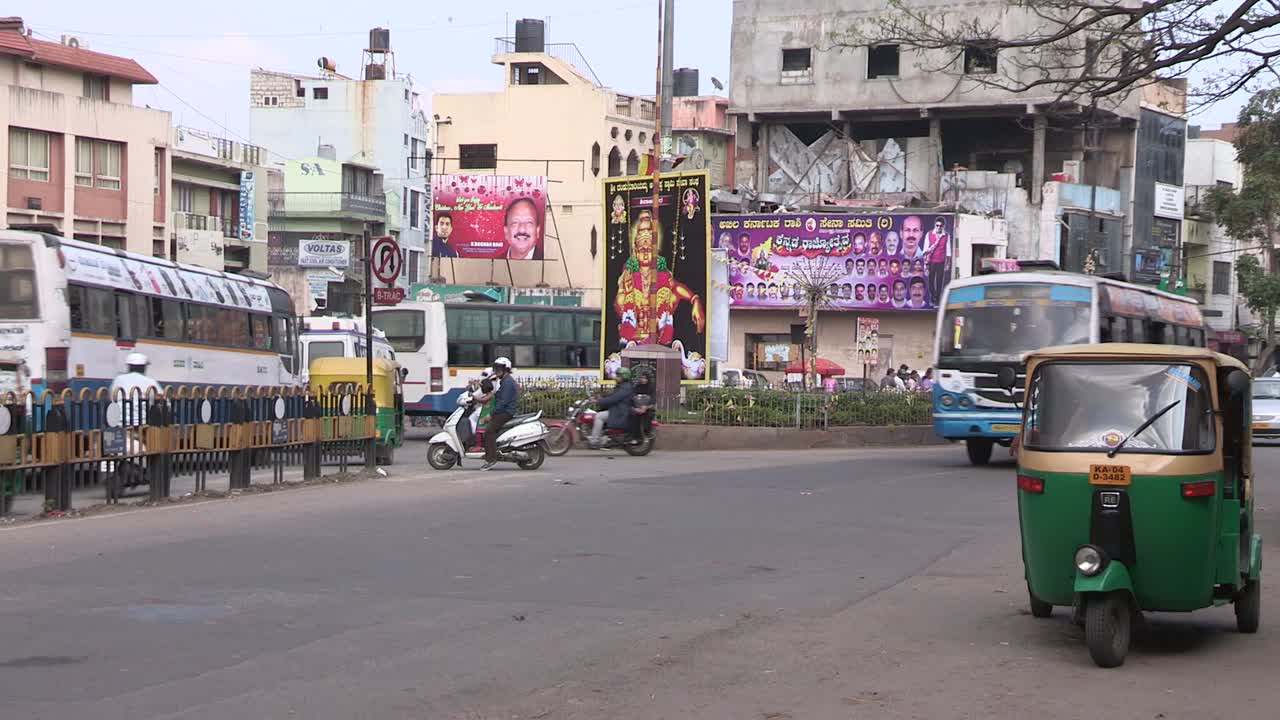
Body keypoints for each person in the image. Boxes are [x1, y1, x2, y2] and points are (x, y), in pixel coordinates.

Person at [481, 357, 519, 470]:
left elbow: (503, 402)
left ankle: (491, 459)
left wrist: (491, 414)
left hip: (506, 412)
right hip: (504, 411)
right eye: (496, 368)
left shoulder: (508, 382)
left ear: (506, 369)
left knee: (489, 431)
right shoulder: (504, 381)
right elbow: (498, 395)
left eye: (499, 368)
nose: (496, 371)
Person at [111, 352, 163, 427]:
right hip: (141, 423)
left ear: (129, 366)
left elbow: (112, 399)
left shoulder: (118, 379)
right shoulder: (151, 382)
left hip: (118, 422)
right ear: (144, 367)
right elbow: (164, 401)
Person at [589, 367, 635, 448]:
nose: (616, 377)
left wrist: (598, 401)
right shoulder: (621, 386)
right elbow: (611, 395)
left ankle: (595, 441)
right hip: (616, 410)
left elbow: (614, 399)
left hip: (620, 413)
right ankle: (601, 436)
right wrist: (600, 397)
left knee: (599, 416)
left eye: (618, 376)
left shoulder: (626, 388)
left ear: (624, 377)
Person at [924, 217, 951, 302]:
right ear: (935, 225)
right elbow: (925, 249)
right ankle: (933, 296)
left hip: (941, 261)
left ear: (943, 226)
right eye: (937, 225)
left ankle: (938, 297)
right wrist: (925, 263)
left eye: (940, 225)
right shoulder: (929, 234)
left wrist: (947, 263)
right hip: (931, 261)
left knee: (939, 281)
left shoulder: (946, 236)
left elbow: (948, 251)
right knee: (931, 280)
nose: (939, 227)